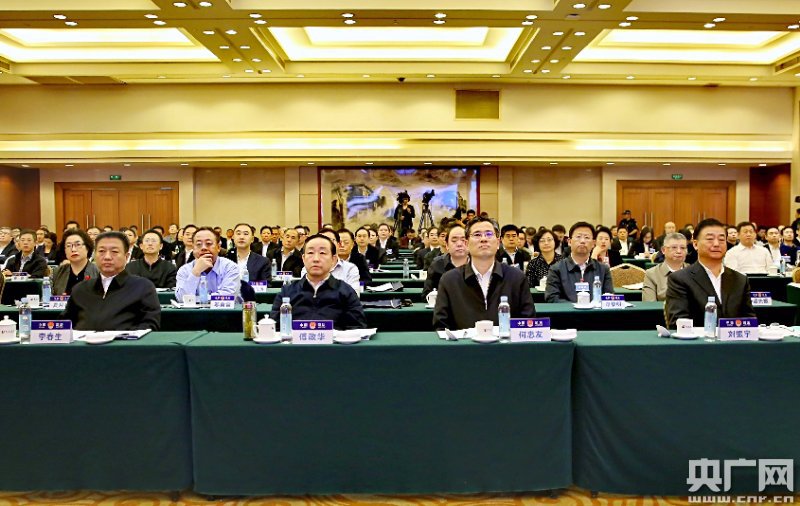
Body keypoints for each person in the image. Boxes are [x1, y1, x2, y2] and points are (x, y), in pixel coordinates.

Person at [433, 217, 535, 330]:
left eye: (489, 234)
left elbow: (528, 321)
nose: (483, 239)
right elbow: (441, 325)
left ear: (498, 243)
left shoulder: (517, 277)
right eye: (477, 235)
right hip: (464, 341)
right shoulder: (449, 280)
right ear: (466, 243)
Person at [61, 231, 160, 331]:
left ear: (126, 257)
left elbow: (150, 324)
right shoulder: (80, 289)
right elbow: (64, 323)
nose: (107, 257)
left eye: (114, 252)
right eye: (101, 251)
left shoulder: (142, 287)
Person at [665, 218, 755, 327]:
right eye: (710, 239)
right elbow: (679, 323)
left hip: (734, 337)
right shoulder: (680, 279)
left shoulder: (740, 280)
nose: (716, 244)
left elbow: (750, 321)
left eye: (721, 239)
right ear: (695, 244)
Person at [269, 234, 366, 330]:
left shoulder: (346, 291)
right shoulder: (287, 292)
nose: (316, 259)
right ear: (303, 259)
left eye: (322, 253)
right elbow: (274, 328)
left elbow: (357, 329)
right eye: (310, 253)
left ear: (333, 259)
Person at [545, 221, 614, 303]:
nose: (582, 241)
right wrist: (578, 306)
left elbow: (609, 297)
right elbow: (552, 298)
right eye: (578, 237)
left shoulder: (603, 269)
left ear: (593, 243)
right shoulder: (556, 269)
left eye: (587, 237)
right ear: (569, 242)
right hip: (567, 311)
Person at [175, 226, 240, 302]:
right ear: (193, 248)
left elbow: (229, 296)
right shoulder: (184, 270)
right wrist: (195, 272)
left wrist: (197, 299)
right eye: (198, 244)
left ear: (218, 247)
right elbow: (181, 299)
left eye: (208, 243)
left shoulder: (230, 267)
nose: (204, 248)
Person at [423, 223, 468, 298]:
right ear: (447, 245)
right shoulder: (437, 264)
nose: (459, 244)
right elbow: (426, 294)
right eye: (454, 240)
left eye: (463, 240)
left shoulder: (478, 264)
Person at [642, 232, 689, 302]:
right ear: (663, 250)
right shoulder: (651, 274)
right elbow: (649, 305)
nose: (679, 251)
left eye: (683, 248)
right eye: (674, 247)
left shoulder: (695, 272)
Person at [51, 229, 100, 295]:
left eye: (78, 244)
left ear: (87, 248)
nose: (73, 249)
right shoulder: (57, 272)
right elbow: (48, 297)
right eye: (68, 246)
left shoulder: (100, 272)